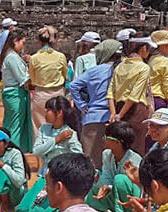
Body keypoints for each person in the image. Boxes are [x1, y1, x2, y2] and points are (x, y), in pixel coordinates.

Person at [19, 96, 83, 212]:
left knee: (46, 210)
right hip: (44, 176)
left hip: (61, 178)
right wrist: (57, 139)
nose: (45, 113)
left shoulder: (70, 133)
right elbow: (36, 151)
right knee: (25, 208)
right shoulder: (44, 129)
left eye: (49, 110)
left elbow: (78, 155)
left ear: (59, 113)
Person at [88, 120, 143, 212]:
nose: (104, 139)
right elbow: (106, 176)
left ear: (117, 142)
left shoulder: (134, 159)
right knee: (94, 184)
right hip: (114, 194)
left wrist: (110, 186)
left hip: (130, 201)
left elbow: (136, 190)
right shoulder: (107, 154)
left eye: (107, 137)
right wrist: (104, 187)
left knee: (120, 179)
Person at [69, 39, 121, 167]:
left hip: (93, 118)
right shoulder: (122, 70)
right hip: (115, 118)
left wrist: (81, 106)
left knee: (90, 161)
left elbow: (73, 85)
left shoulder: (94, 71)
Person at [108, 34, 155, 154]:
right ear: (144, 48)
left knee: (120, 150)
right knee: (136, 149)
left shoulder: (119, 66)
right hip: (136, 112)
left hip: (119, 108)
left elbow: (110, 92)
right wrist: (120, 114)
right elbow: (135, 95)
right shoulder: (143, 68)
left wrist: (115, 114)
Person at [0, 28, 33, 152]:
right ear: (15, 41)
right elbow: (23, 79)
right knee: (15, 125)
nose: (23, 46)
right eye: (22, 43)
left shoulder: (11, 56)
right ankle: (13, 151)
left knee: (11, 124)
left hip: (12, 94)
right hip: (15, 94)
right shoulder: (12, 57)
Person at [28, 26, 69, 130]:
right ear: (54, 40)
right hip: (57, 94)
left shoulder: (34, 58)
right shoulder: (61, 56)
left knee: (38, 127)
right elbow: (65, 76)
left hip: (40, 95)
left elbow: (32, 79)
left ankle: (40, 146)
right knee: (59, 125)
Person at [148, 30, 168, 111]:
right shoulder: (164, 61)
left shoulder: (148, 58)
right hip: (158, 99)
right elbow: (167, 86)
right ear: (162, 46)